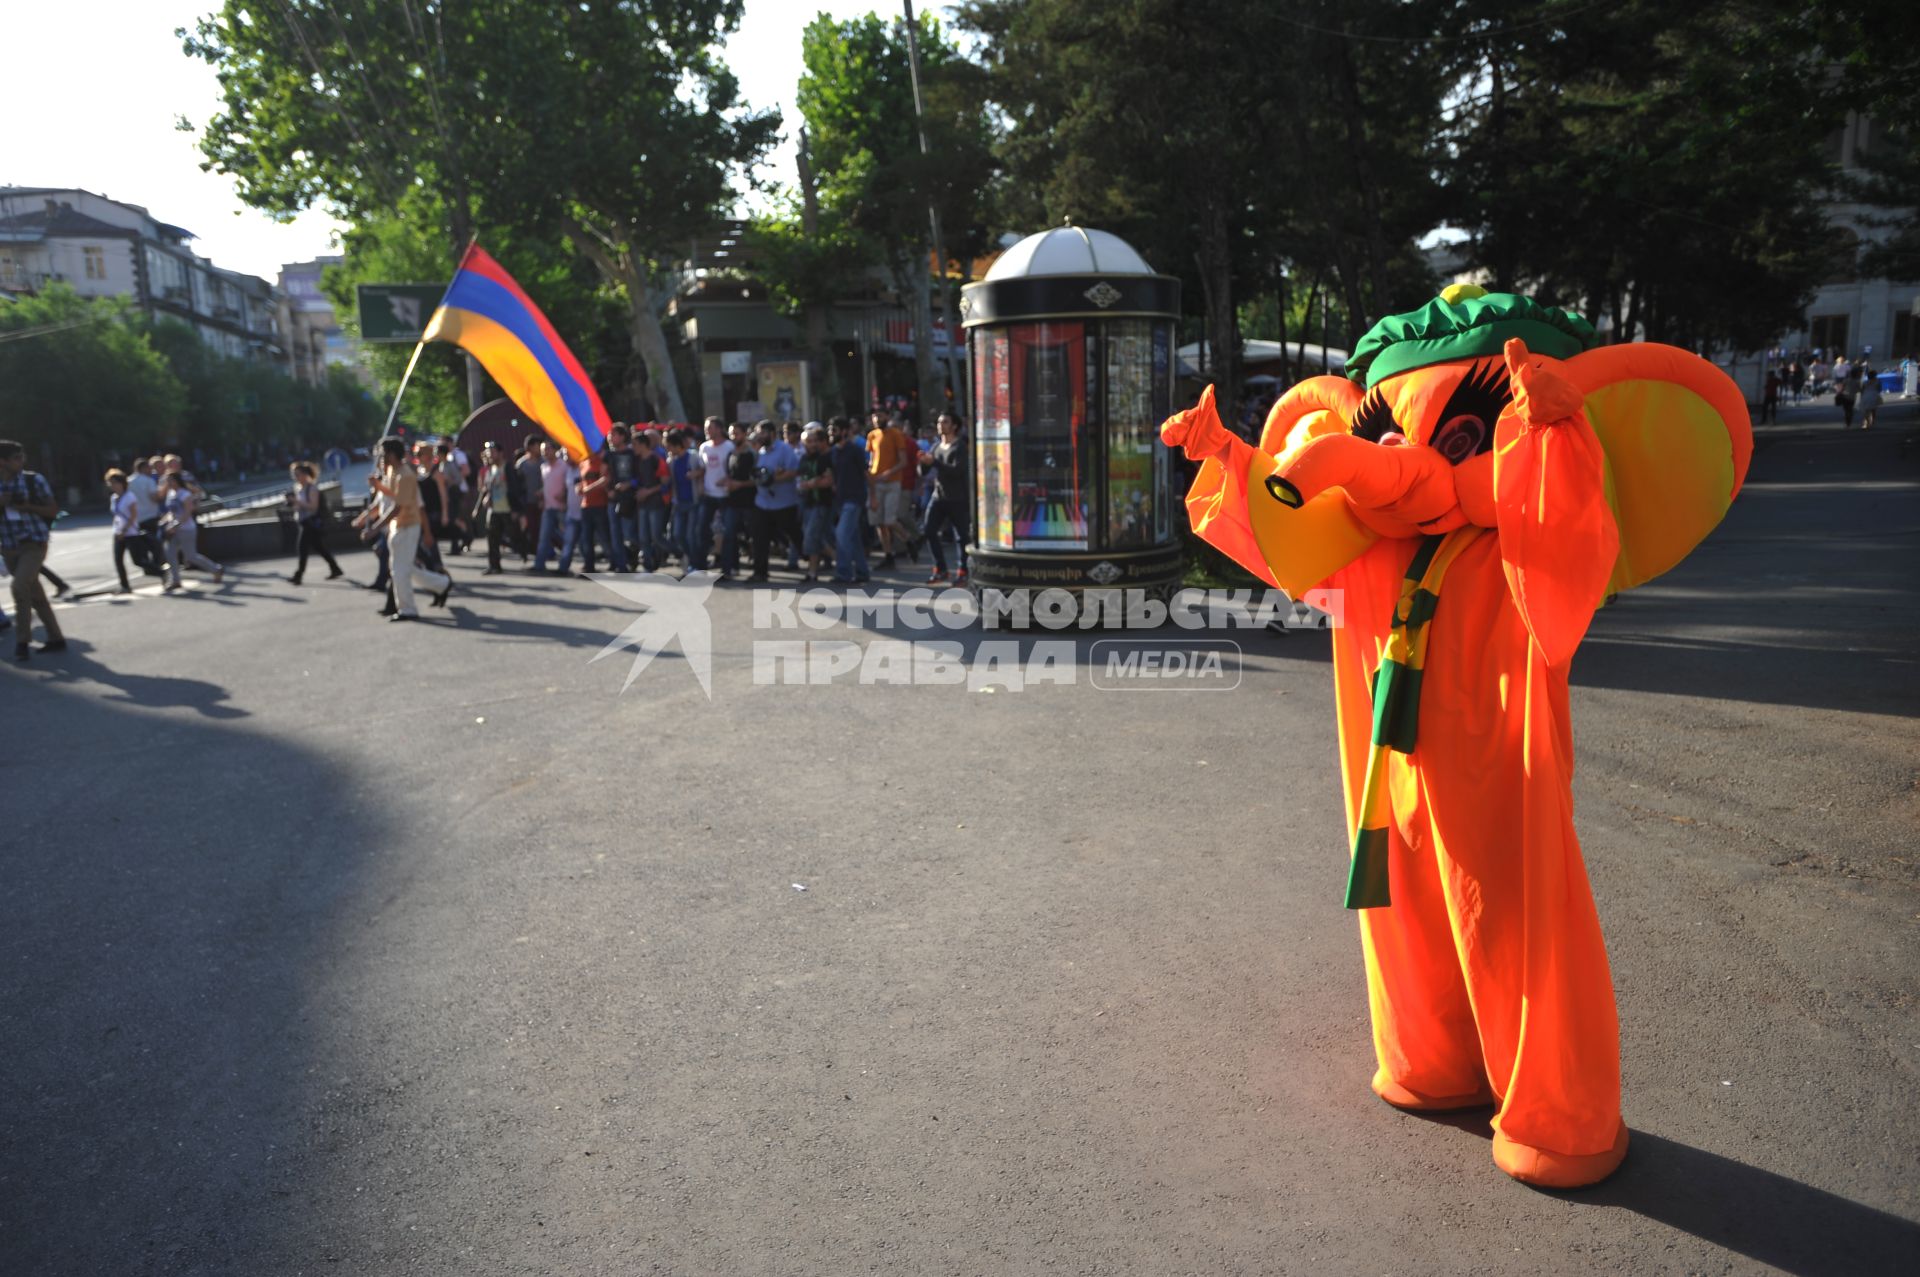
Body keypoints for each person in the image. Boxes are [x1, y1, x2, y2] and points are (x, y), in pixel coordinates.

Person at [370, 437, 451, 620]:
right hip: (398, 526)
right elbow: (392, 496)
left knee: (400, 571)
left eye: (383, 453)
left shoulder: (405, 475)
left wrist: (375, 527)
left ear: (391, 454)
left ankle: (408, 609)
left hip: (407, 526)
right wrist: (378, 487)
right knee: (404, 569)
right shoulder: (393, 471)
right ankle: (441, 584)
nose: (381, 457)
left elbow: (398, 505)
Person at [0, 440, 65, 660]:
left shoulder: (32, 480)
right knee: (35, 594)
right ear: (3, 462)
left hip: (33, 543)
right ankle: (57, 638)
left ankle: (22, 642)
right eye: (16, 457)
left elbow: (53, 510)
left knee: (19, 587)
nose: (22, 461)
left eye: (22, 456)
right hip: (8, 547)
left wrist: (28, 506)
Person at [919, 412, 971, 584]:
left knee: (961, 536)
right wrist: (923, 463)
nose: (941, 425)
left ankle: (963, 571)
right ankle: (940, 569)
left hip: (957, 497)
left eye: (945, 422)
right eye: (939, 422)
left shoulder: (960, 447)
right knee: (929, 530)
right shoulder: (936, 446)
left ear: (954, 425)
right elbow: (924, 471)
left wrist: (933, 462)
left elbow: (956, 471)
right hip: (938, 496)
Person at [748, 421, 802, 583]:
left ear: (771, 433)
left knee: (794, 534)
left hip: (783, 503)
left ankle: (814, 557)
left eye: (762, 433)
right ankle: (760, 572)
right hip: (763, 502)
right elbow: (756, 473)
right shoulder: (760, 452)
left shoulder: (785, 450)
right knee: (759, 537)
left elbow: (794, 472)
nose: (759, 436)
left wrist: (774, 478)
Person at [158, 470, 225, 593]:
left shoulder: (185, 494)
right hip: (174, 529)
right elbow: (172, 511)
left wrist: (176, 525)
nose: (169, 483)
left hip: (186, 529)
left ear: (178, 481)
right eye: (168, 481)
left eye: (171, 481)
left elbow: (187, 513)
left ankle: (215, 569)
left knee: (191, 556)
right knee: (170, 554)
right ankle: (176, 580)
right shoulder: (171, 494)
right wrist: (165, 521)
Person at [828, 416, 871, 584]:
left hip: (854, 498)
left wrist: (872, 497)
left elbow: (866, 474)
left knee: (842, 535)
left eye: (835, 430)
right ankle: (862, 572)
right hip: (840, 499)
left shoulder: (855, 450)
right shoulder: (833, 451)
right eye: (830, 430)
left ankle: (843, 573)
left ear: (845, 431)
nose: (831, 433)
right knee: (853, 538)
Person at [286, 462, 343, 585]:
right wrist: (292, 503)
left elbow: (313, 507)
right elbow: (299, 507)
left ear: (305, 475)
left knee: (302, 549)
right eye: (294, 474)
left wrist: (297, 501)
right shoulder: (298, 488)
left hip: (310, 523)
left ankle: (298, 575)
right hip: (303, 522)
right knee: (320, 548)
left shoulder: (312, 489)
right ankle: (335, 568)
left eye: (298, 474)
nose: (295, 477)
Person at [866, 410, 910, 567]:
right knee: (879, 523)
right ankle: (888, 555)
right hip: (876, 483)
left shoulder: (895, 434)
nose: (878, 418)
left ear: (887, 416)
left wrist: (888, 473)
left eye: (881, 415)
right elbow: (872, 459)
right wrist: (870, 475)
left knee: (889, 520)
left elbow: (903, 461)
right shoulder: (872, 435)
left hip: (892, 482)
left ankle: (908, 539)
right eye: (875, 416)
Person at [794, 424, 836, 583]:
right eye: (808, 441)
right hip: (807, 501)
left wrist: (813, 483)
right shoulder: (804, 459)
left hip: (821, 502)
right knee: (815, 537)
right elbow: (801, 478)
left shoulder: (825, 458)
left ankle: (840, 561)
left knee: (812, 537)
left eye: (814, 441)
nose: (812, 444)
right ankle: (813, 573)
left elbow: (829, 480)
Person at [719, 425, 759, 580]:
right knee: (728, 535)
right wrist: (727, 482)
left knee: (754, 536)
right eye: (731, 434)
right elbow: (730, 474)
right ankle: (728, 569)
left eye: (736, 433)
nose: (734, 436)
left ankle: (758, 569)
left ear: (744, 434)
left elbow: (757, 479)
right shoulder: (730, 454)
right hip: (732, 502)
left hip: (750, 501)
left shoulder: (752, 454)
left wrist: (740, 484)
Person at [666, 429, 705, 571]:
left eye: (669, 446)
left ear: (677, 445)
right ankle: (689, 560)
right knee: (677, 535)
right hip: (679, 502)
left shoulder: (693, 457)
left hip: (693, 501)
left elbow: (704, 470)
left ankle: (695, 564)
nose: (668, 449)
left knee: (690, 536)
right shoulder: (671, 461)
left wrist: (696, 473)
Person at [473, 442, 515, 574]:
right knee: (492, 538)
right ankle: (494, 565)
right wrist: (478, 507)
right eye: (488, 452)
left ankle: (525, 552)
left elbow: (516, 489)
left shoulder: (508, 468)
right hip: (494, 509)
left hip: (508, 508)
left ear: (500, 453)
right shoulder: (490, 470)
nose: (490, 455)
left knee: (514, 536)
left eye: (492, 451)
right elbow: (486, 489)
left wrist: (518, 511)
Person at [696, 417, 732, 574]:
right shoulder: (704, 447)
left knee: (727, 532)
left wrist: (728, 480)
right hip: (708, 495)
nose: (706, 431)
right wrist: (700, 484)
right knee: (702, 529)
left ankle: (726, 567)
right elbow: (702, 469)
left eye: (709, 428)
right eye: (705, 428)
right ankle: (701, 566)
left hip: (725, 495)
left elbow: (735, 468)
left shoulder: (729, 446)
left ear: (719, 429)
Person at [632, 429, 670, 571]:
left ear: (643, 444)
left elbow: (665, 481)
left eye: (635, 444)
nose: (633, 447)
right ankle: (648, 566)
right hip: (642, 504)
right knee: (643, 537)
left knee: (656, 536)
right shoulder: (636, 460)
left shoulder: (656, 459)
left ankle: (679, 553)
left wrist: (648, 492)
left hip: (656, 503)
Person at [602, 424, 638, 572]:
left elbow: (640, 474)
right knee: (615, 534)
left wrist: (630, 484)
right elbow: (604, 476)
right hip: (613, 499)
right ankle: (621, 565)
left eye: (614, 434)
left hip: (630, 498)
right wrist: (608, 490)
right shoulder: (608, 455)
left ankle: (636, 555)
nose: (610, 437)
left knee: (629, 533)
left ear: (623, 436)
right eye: (609, 434)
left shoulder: (632, 453)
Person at [575, 445, 614, 573]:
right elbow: (582, 481)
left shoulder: (601, 462)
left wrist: (588, 489)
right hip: (586, 505)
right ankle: (589, 565)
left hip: (600, 504)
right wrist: (579, 487)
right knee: (586, 537)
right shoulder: (583, 463)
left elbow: (605, 480)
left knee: (604, 536)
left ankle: (614, 561)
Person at [534, 439, 570, 572]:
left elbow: (569, 485)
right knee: (544, 537)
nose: (545, 453)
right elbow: (545, 485)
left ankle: (564, 566)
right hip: (548, 507)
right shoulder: (543, 467)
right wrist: (542, 495)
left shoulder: (564, 466)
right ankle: (539, 565)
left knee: (568, 538)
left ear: (555, 450)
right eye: (543, 450)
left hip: (562, 508)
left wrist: (564, 495)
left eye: (548, 449)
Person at [126, 457, 165, 577]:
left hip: (136, 519)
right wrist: (162, 493)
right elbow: (154, 498)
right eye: (149, 467)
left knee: (142, 545)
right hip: (150, 516)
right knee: (154, 545)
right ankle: (157, 568)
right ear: (143, 468)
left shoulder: (128, 481)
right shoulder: (149, 481)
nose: (151, 470)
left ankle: (147, 568)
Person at [105, 468, 141, 593]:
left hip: (130, 532)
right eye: (110, 483)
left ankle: (161, 572)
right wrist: (118, 531)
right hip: (117, 531)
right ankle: (125, 585)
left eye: (115, 482)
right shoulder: (114, 498)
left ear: (122, 483)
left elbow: (133, 515)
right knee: (118, 560)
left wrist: (124, 531)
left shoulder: (129, 496)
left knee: (138, 560)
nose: (113, 485)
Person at [1836, 360, 1860, 428]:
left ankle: (1847, 422)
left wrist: (1839, 393)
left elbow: (1842, 388)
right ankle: (1849, 422)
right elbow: (1859, 390)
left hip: (1845, 396)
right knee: (1850, 409)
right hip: (1852, 397)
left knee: (1846, 410)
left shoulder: (1846, 380)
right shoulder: (1857, 381)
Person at [1857, 364, 1881, 429]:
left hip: (1866, 395)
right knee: (1873, 410)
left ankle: (1866, 423)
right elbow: (1879, 389)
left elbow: (1861, 390)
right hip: (1874, 395)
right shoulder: (1877, 382)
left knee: (1866, 410)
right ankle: (1872, 421)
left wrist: (1862, 397)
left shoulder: (1865, 382)